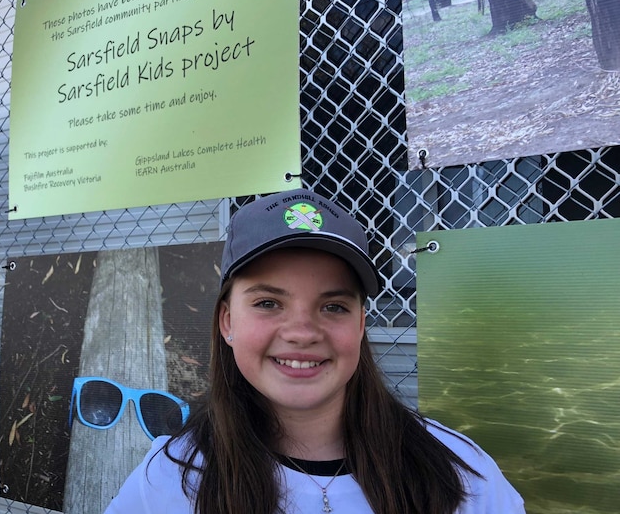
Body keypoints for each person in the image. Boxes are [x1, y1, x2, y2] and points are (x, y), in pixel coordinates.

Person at [105, 188, 525, 514]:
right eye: (269, 303)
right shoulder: (171, 476)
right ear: (228, 322)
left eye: (333, 306)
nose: (303, 332)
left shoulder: (458, 470)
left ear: (361, 325)